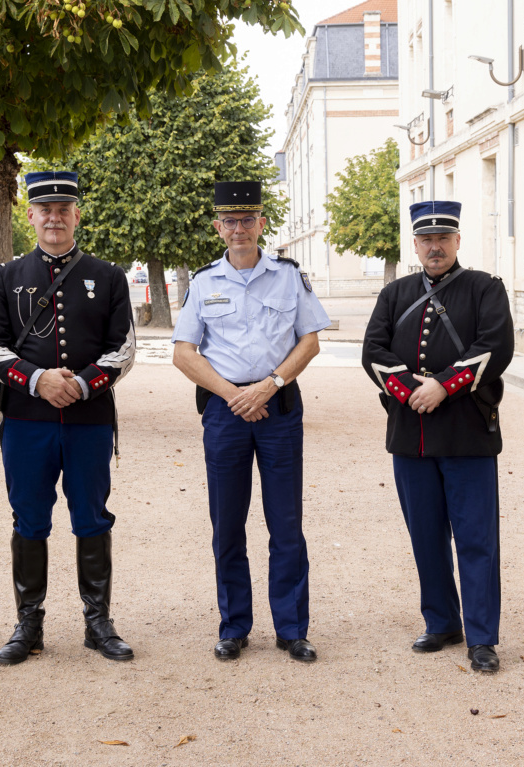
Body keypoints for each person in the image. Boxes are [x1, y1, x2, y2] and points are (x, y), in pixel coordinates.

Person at [0, 170, 136, 664]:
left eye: (63, 209)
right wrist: (37, 380)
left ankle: (97, 622)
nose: (54, 218)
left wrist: (82, 384)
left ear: (76, 216)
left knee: (91, 517)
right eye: (45, 210)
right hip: (26, 421)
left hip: (89, 421)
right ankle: (29, 625)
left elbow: (125, 347)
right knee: (29, 519)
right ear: (30, 217)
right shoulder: (6, 277)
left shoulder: (109, 277)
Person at [172, 181, 330, 662]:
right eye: (230, 221)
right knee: (228, 524)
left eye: (248, 220)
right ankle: (234, 625)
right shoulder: (203, 282)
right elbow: (183, 353)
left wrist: (270, 385)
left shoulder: (288, 277)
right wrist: (235, 395)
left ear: (262, 224)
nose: (239, 229)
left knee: (286, 523)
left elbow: (310, 341)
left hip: (278, 406)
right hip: (225, 412)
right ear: (218, 227)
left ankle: (292, 628)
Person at [362, 200, 514, 672]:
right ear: (415, 244)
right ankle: (442, 621)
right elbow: (373, 349)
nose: (435, 247)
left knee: (476, 539)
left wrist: (443, 386)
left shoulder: (485, 288)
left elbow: (496, 345)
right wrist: (411, 391)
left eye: (443, 239)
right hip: (412, 433)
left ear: (457, 241)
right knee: (425, 536)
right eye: (426, 240)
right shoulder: (395, 292)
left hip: (468, 431)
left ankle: (482, 637)